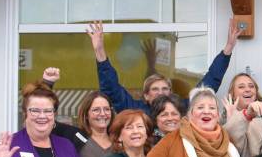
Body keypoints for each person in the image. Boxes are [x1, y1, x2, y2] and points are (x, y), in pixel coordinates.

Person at [87, 19, 240, 112]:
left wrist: (228, 49)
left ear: (171, 93)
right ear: (146, 95)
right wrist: (99, 50)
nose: (160, 92)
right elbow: (111, 88)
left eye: (164, 89)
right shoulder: (135, 110)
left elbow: (210, 82)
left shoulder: (183, 109)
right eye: (155, 89)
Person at [223, 72, 262, 157]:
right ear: (233, 95)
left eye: (251, 86)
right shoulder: (223, 120)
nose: (247, 89)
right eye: (241, 87)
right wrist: (232, 121)